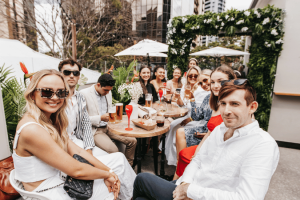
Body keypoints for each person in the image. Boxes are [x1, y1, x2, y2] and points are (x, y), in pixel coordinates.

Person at [133, 79, 280, 200]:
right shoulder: (219, 130)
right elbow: (197, 160)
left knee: (142, 179)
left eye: (235, 104)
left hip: (202, 195)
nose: (227, 111)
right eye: (223, 103)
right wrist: (185, 184)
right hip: (190, 186)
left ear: (252, 107)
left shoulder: (262, 144)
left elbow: (248, 197)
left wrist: (190, 191)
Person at [13, 69, 136, 200]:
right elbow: (76, 170)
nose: (55, 97)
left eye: (60, 92)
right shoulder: (32, 129)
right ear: (32, 94)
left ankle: (132, 195)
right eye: (47, 92)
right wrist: (108, 175)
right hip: (47, 192)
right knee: (113, 186)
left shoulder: (48, 120)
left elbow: (78, 151)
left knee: (119, 160)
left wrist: (109, 172)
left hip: (59, 177)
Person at [174, 65, 235, 179]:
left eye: (220, 81)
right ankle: (179, 170)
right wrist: (192, 99)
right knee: (178, 131)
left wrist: (208, 135)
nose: (215, 86)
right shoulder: (209, 97)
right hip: (207, 131)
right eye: (213, 82)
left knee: (178, 130)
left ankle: (182, 173)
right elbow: (197, 116)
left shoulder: (233, 103)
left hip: (215, 142)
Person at [80, 74, 137, 166]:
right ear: (98, 85)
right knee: (114, 150)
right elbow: (81, 119)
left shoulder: (108, 92)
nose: (107, 92)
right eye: (105, 90)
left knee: (133, 141)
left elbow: (109, 109)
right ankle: (117, 170)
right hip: (95, 130)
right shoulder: (83, 94)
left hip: (109, 127)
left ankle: (129, 166)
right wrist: (100, 118)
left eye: (109, 90)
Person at [58, 58, 106, 157]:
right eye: (67, 72)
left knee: (118, 157)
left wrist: (88, 147)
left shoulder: (80, 97)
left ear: (79, 76)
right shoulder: (55, 97)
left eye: (75, 73)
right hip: (60, 146)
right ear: (60, 74)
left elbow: (86, 123)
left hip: (78, 141)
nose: (72, 76)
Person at [162, 66, 210, 166]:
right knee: (172, 125)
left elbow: (200, 111)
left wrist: (190, 118)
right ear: (187, 77)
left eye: (195, 76)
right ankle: (174, 158)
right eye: (190, 76)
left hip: (196, 119)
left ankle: (178, 159)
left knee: (175, 127)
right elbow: (183, 104)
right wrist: (178, 97)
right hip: (188, 115)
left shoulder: (203, 90)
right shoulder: (186, 87)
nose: (192, 77)